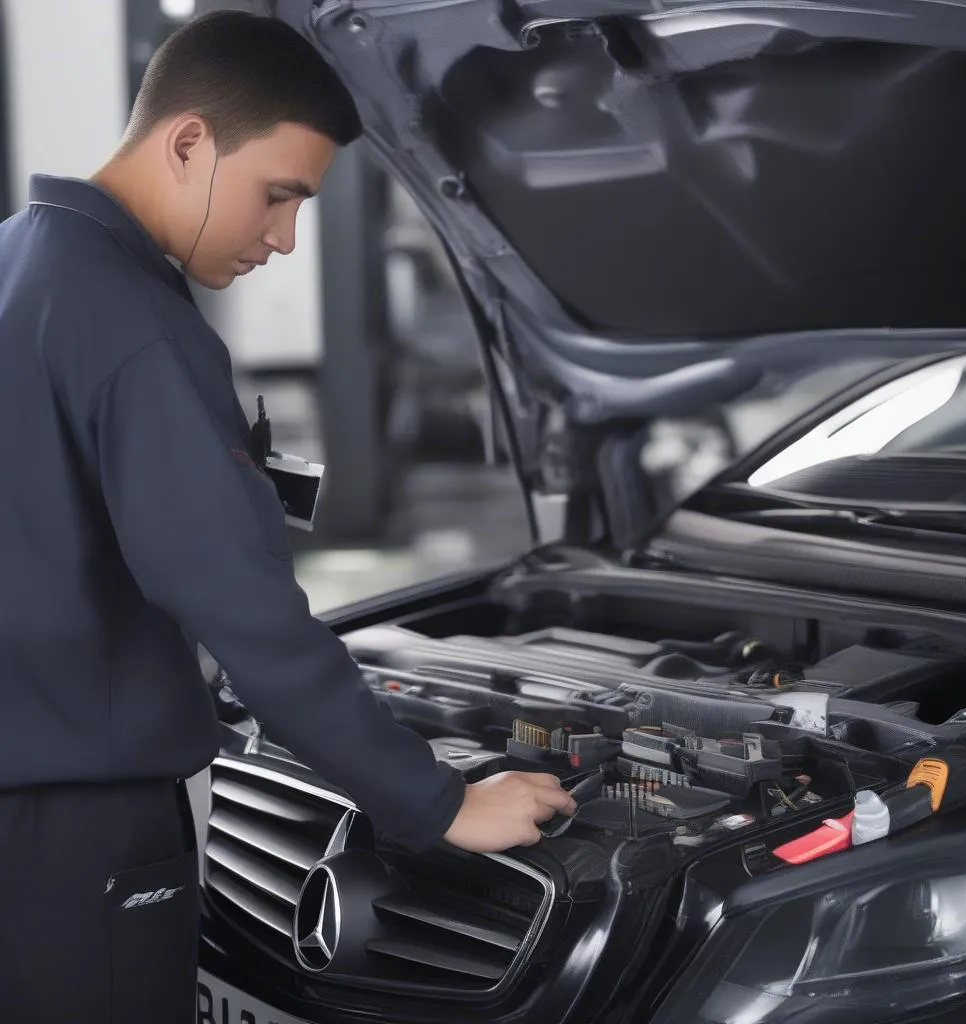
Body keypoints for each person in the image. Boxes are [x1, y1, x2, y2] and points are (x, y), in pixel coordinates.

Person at [0, 10, 575, 1021]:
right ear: (188, 142)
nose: (283, 236)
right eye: (278, 194)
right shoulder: (137, 327)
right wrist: (440, 802)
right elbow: (245, 608)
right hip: (85, 834)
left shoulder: (19, 265)